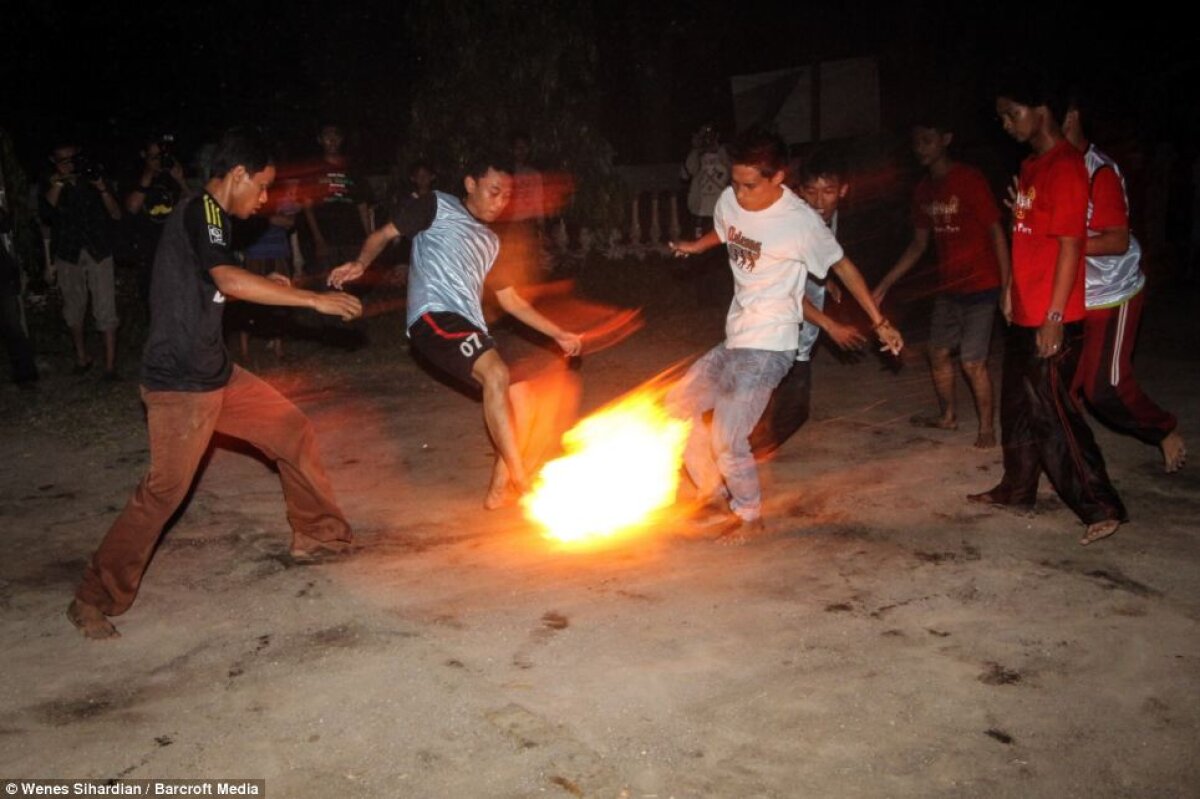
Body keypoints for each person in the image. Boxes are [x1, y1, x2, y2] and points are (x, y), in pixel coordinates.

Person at [67, 129, 363, 640]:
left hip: (216, 374)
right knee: (163, 492)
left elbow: (219, 276)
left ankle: (317, 535)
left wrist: (272, 284)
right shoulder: (201, 209)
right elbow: (226, 280)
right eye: (263, 186)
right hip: (179, 383)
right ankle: (93, 597)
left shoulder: (213, 220)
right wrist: (313, 302)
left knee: (292, 430)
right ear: (239, 175)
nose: (266, 198)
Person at [668, 129, 903, 541]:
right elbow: (725, 232)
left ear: (778, 177)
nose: (739, 193)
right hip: (736, 337)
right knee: (678, 405)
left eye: (749, 185)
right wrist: (696, 245)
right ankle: (717, 497)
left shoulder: (800, 223)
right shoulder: (730, 200)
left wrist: (879, 321)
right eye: (735, 182)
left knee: (727, 434)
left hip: (771, 345)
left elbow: (844, 268)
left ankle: (750, 517)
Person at [329, 151, 582, 504]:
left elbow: (511, 301)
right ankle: (523, 481)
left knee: (523, 398)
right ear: (470, 184)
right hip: (433, 317)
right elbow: (384, 235)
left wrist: (558, 333)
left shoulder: (492, 242)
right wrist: (360, 262)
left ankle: (499, 484)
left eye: (507, 196)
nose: (500, 201)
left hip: (469, 326)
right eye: (494, 191)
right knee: (496, 376)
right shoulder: (437, 206)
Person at [970, 69, 1126, 546]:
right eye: (1001, 116)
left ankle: (1100, 504)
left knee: (1053, 414)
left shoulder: (1066, 167)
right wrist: (1011, 289)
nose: (1006, 124)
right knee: (1018, 407)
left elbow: (1069, 247)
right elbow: (1031, 237)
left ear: (1043, 111)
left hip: (1053, 316)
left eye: (1012, 114)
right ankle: (1017, 488)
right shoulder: (1033, 168)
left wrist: (1055, 317)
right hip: (1026, 308)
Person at [1060, 95, 1186, 473]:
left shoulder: (1100, 171)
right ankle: (1078, 463)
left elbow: (1115, 241)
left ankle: (1162, 431)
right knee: (1063, 390)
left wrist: (1064, 243)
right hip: (1076, 293)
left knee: (1106, 386)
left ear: (1073, 115)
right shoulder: (1054, 168)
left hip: (1114, 291)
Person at [872, 114, 1011, 448]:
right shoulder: (923, 190)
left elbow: (996, 231)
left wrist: (1008, 287)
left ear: (945, 140)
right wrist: (886, 283)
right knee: (937, 353)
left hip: (981, 286)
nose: (920, 148)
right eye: (917, 141)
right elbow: (919, 244)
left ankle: (987, 429)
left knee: (973, 361)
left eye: (927, 140)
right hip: (949, 288)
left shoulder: (969, 179)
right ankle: (948, 417)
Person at [749, 149, 873, 458]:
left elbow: (829, 261)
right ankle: (727, 462)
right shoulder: (794, 228)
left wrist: (825, 279)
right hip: (773, 334)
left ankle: (733, 461)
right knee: (768, 409)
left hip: (795, 340)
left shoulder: (826, 222)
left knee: (782, 410)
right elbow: (787, 293)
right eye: (812, 192)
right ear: (800, 191)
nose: (819, 201)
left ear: (842, 190)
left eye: (828, 191)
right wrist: (832, 325)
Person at [39, 143, 122, 378]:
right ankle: (82, 358)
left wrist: (102, 188)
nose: (68, 164)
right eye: (62, 160)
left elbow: (116, 214)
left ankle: (109, 366)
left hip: (99, 249)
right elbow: (46, 216)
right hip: (68, 252)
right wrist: (58, 182)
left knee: (106, 306)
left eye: (71, 158)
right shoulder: (51, 182)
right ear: (54, 161)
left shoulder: (93, 176)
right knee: (74, 308)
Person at [125, 133, 191, 311]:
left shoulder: (171, 175)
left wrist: (181, 180)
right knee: (152, 300)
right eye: (153, 157)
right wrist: (147, 177)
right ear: (143, 156)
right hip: (148, 250)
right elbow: (131, 208)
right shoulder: (135, 176)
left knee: (178, 300)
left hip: (175, 248)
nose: (157, 161)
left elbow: (192, 206)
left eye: (160, 157)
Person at [302, 123, 373, 272]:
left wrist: (368, 237)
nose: (332, 140)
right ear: (320, 140)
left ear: (341, 139)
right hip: (326, 238)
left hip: (352, 237)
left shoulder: (352, 168)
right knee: (327, 282)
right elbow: (307, 207)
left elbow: (362, 205)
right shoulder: (313, 169)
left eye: (336, 136)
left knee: (353, 282)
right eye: (328, 136)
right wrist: (318, 239)